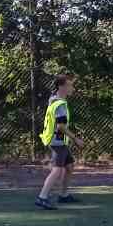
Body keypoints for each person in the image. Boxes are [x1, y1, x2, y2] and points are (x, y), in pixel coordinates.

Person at [34, 74, 77, 210]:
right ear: (61, 87)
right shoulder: (60, 105)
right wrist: (76, 139)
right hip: (57, 141)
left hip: (58, 140)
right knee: (57, 170)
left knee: (69, 166)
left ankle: (63, 195)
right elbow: (61, 127)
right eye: (70, 85)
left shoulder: (54, 99)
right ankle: (42, 197)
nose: (72, 88)